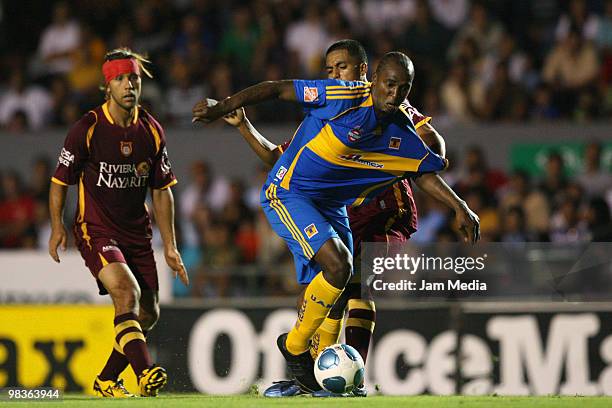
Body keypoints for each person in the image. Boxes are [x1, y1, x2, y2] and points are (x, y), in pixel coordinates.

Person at [193, 51, 480, 394]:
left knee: (348, 281)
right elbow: (276, 104)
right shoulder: (334, 101)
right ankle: (303, 357)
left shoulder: (399, 120)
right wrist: (229, 112)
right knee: (340, 274)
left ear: (363, 71)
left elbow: (428, 159)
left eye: (402, 89)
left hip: (367, 208)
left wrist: (459, 204)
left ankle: (315, 373)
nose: (395, 94)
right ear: (374, 79)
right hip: (300, 196)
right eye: (328, 69)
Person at [48, 48, 188, 398]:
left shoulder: (152, 131)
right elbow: (59, 181)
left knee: (148, 312)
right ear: (106, 86)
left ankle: (106, 379)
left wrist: (170, 245)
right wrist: (56, 226)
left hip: (137, 234)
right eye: (120, 79)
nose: (129, 86)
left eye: (134, 79)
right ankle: (146, 373)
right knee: (126, 293)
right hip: (96, 229)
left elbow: (162, 190)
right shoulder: (88, 128)